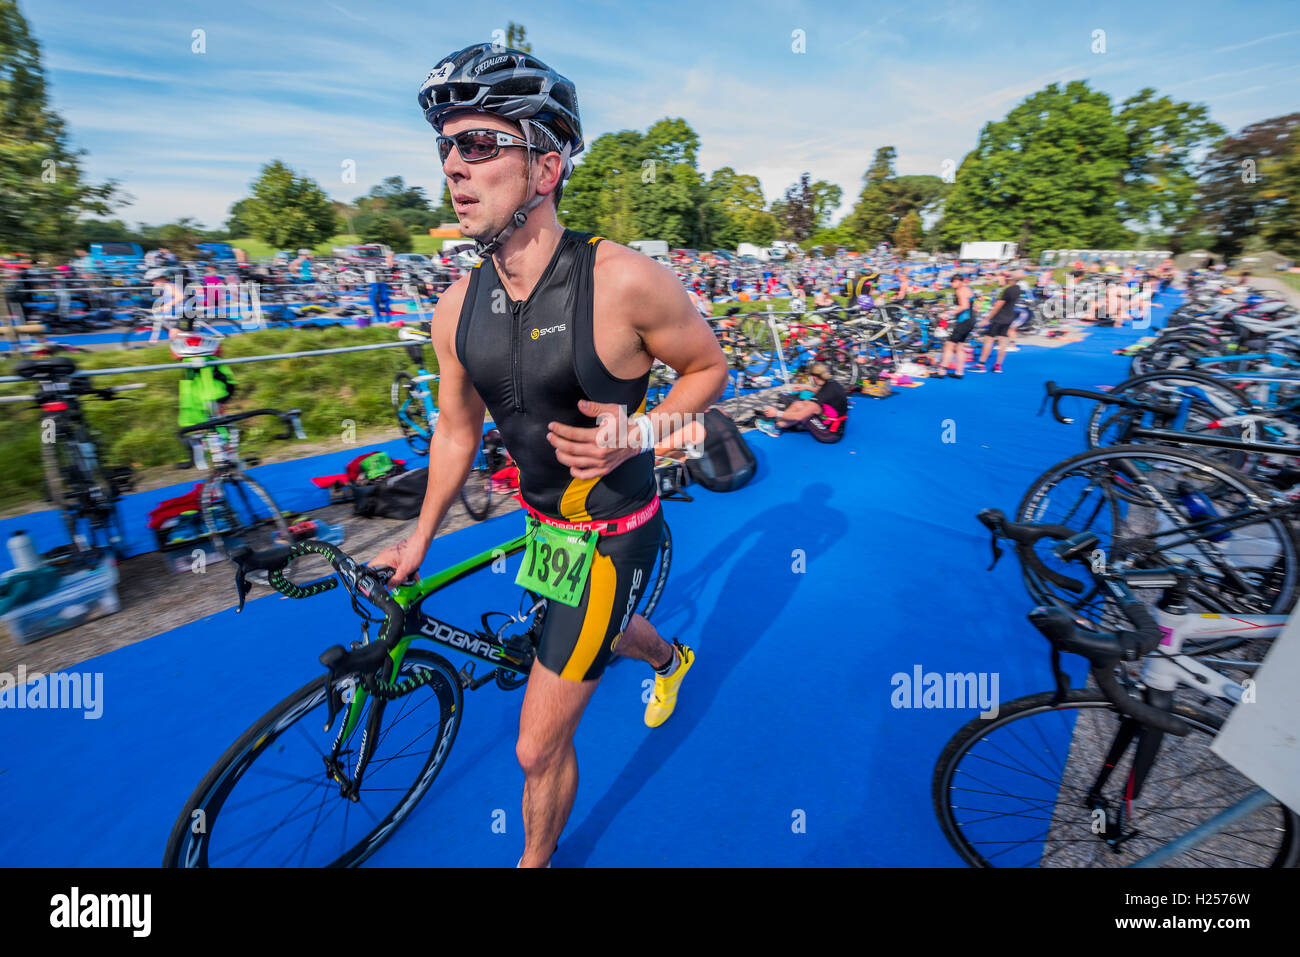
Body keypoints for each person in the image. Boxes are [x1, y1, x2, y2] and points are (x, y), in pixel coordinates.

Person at [369, 43, 729, 869]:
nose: (455, 168)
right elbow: (457, 432)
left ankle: (534, 861)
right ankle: (671, 655)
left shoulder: (627, 281)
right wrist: (419, 537)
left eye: (480, 144)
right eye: (446, 147)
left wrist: (638, 433)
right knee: (584, 632)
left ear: (547, 167)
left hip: (616, 531)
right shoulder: (454, 309)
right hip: (545, 527)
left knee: (535, 747)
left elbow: (710, 370)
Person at [752, 362, 849, 441]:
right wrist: (806, 388)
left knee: (802, 411)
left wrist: (777, 413)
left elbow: (799, 416)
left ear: (814, 377)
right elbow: (822, 393)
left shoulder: (821, 396)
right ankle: (777, 426)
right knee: (798, 403)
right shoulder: (831, 383)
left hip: (829, 434)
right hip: (835, 423)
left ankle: (776, 428)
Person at [969, 269, 1023, 373]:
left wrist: (987, 319)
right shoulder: (1018, 288)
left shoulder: (1006, 289)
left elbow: (998, 306)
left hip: (999, 317)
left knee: (989, 339)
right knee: (1002, 340)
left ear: (1010, 278)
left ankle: (981, 365)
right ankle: (998, 365)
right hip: (1009, 316)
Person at [934, 274, 976, 379]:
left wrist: (948, 314)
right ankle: (959, 372)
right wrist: (951, 311)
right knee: (959, 347)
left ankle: (941, 371)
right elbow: (971, 306)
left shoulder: (960, 290)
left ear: (958, 281)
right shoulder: (967, 289)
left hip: (964, 321)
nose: (951, 284)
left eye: (952, 282)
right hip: (970, 320)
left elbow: (964, 306)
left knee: (949, 345)